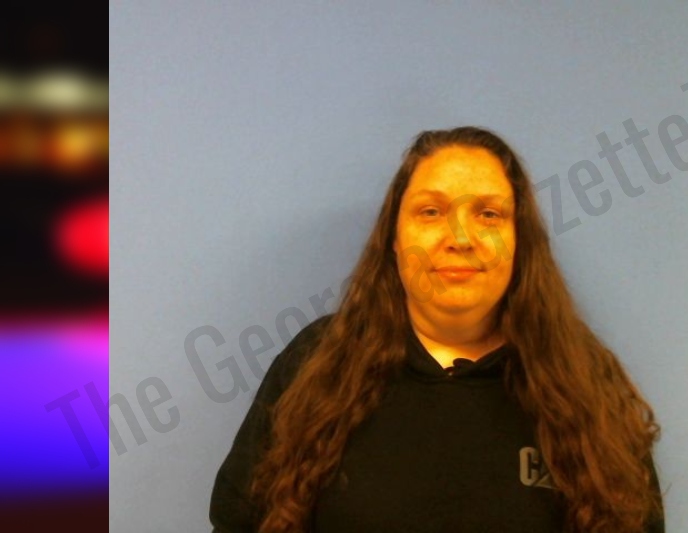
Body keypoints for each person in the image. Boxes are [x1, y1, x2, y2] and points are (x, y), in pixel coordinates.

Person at [209, 126, 664, 532]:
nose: (460, 238)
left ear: (520, 242)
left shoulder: (584, 378)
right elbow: (239, 523)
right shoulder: (316, 363)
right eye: (431, 211)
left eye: (489, 214)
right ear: (394, 238)